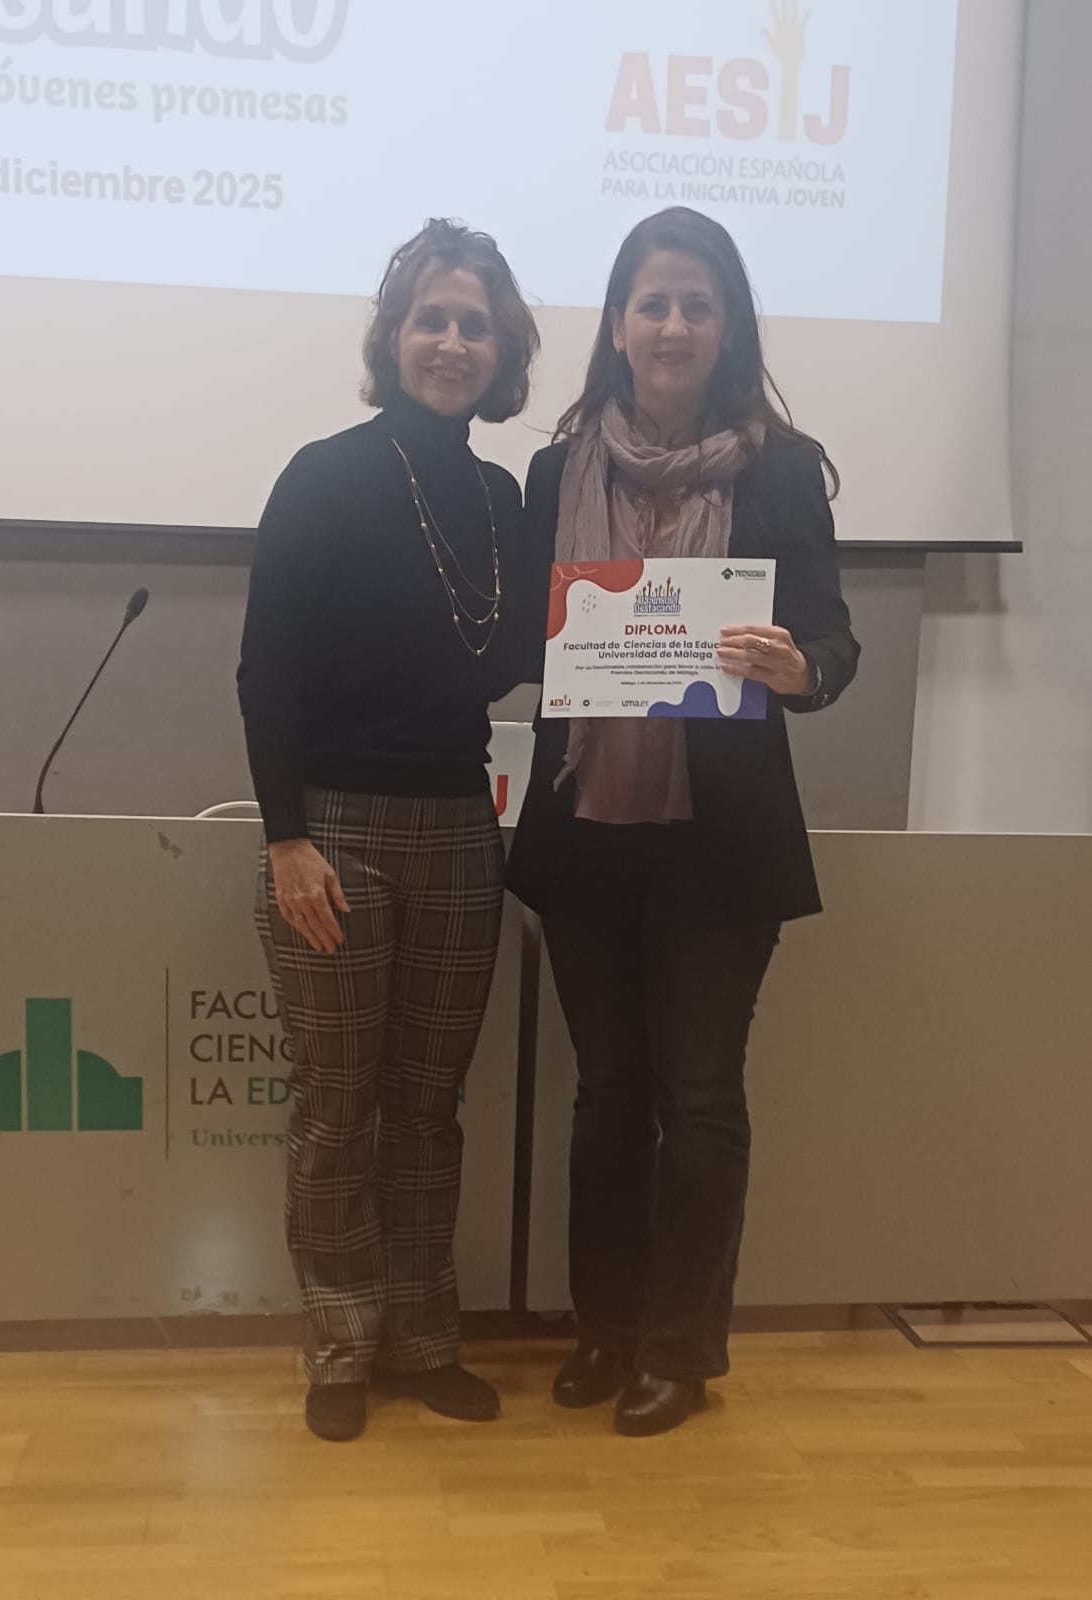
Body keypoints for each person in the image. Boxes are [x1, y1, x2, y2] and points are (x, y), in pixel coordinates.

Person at [507, 207, 860, 1437]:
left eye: (694, 305)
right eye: (650, 303)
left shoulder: (781, 469)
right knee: (607, 1093)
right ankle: (603, 1328)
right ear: (617, 324)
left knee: (698, 1096)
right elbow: (523, 644)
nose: (671, 325)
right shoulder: (555, 474)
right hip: (586, 829)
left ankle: (678, 1349)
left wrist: (797, 667)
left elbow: (832, 640)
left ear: (726, 326)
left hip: (720, 840)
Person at [237, 220, 539, 1443]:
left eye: (474, 324)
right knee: (336, 1104)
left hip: (461, 828)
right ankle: (339, 1344)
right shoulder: (323, 475)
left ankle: (423, 1338)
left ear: (501, 350)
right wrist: (285, 838)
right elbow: (265, 671)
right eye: (431, 320)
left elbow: (509, 658)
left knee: (426, 1106)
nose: (451, 342)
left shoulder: (501, 498)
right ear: (393, 338)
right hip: (333, 835)